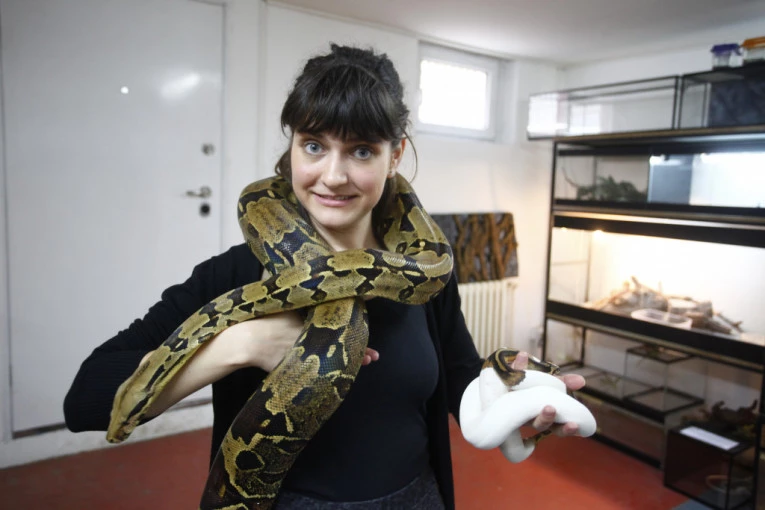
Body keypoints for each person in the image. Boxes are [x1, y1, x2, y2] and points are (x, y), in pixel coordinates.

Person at [64, 44, 585, 509]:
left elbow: (460, 373)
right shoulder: (233, 274)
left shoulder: (427, 272)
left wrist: (506, 399)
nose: (333, 177)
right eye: (314, 145)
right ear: (292, 147)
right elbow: (85, 399)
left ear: (395, 155)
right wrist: (241, 344)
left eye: (361, 150)